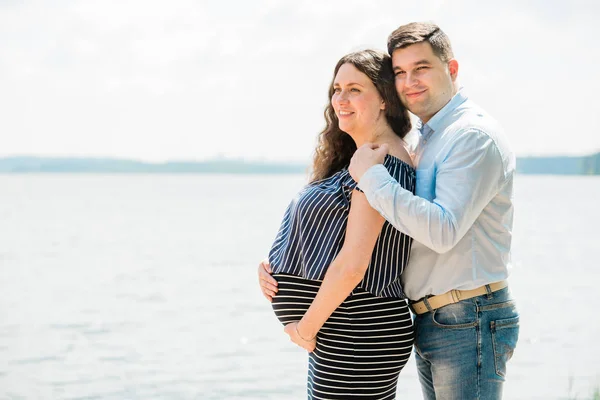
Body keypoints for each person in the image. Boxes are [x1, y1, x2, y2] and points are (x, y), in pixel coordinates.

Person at [346, 22, 520, 400]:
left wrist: (372, 178)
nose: (410, 81)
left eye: (421, 68)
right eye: (400, 72)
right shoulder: (428, 138)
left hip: (468, 317)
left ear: (452, 70)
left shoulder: (471, 136)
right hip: (436, 319)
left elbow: (442, 230)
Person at [260, 49, 416, 399]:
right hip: (342, 331)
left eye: (354, 89)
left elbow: (353, 265)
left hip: (356, 333)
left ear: (383, 99)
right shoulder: (364, 157)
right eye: (336, 89)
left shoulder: (382, 165)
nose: (340, 100)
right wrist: (275, 271)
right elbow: (326, 240)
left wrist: (305, 327)